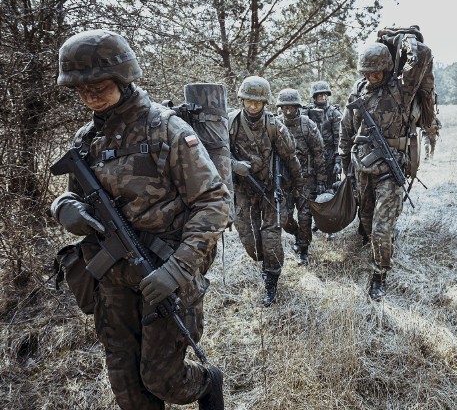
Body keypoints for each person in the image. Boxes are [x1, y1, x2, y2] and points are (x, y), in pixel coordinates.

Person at [50, 30, 229, 409]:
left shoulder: (166, 129)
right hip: (111, 279)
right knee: (128, 389)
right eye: (81, 90)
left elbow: (213, 203)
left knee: (164, 380)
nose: (90, 97)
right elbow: (74, 193)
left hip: (164, 272)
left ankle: (207, 381)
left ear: (122, 78)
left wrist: (178, 269)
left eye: (98, 86)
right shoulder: (86, 139)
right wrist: (63, 207)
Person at [339, 40, 431, 301]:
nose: (372, 76)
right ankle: (379, 244)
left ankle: (379, 275)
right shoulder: (359, 91)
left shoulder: (402, 88)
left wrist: (407, 40)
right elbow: (346, 129)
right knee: (366, 220)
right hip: (362, 166)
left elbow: (423, 56)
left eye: (377, 71)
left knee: (381, 229)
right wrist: (344, 162)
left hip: (391, 168)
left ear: (388, 68)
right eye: (367, 72)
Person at [229, 76, 303, 306]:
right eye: (249, 101)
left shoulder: (274, 126)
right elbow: (214, 155)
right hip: (243, 190)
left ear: (264, 103)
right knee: (250, 240)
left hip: (271, 189)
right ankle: (264, 263)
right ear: (242, 100)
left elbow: (290, 157)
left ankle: (271, 280)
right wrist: (234, 166)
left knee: (270, 238)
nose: (253, 106)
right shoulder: (230, 123)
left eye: (258, 102)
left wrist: (300, 188)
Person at [276, 88, 327, 265]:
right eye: (284, 107)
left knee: (305, 218)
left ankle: (303, 249)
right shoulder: (275, 125)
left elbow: (319, 154)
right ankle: (297, 234)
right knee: (285, 219)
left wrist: (321, 182)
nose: (288, 110)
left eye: (291, 106)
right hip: (285, 182)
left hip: (306, 181)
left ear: (298, 106)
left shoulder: (308, 125)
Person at [304, 81, 343, 184]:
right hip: (310, 157)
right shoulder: (306, 112)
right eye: (319, 94)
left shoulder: (334, 113)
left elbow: (339, 139)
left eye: (324, 94)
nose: (322, 97)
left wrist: (338, 161)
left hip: (328, 156)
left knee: (330, 188)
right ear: (314, 96)